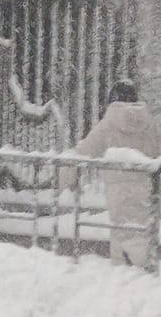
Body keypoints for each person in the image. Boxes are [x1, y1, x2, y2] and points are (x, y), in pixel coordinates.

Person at [59, 81, 161, 267]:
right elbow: (157, 151)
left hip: (118, 189)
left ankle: (127, 272)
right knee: (142, 230)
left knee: (121, 232)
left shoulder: (108, 125)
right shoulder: (149, 124)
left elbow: (84, 151)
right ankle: (142, 269)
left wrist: (67, 179)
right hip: (145, 188)